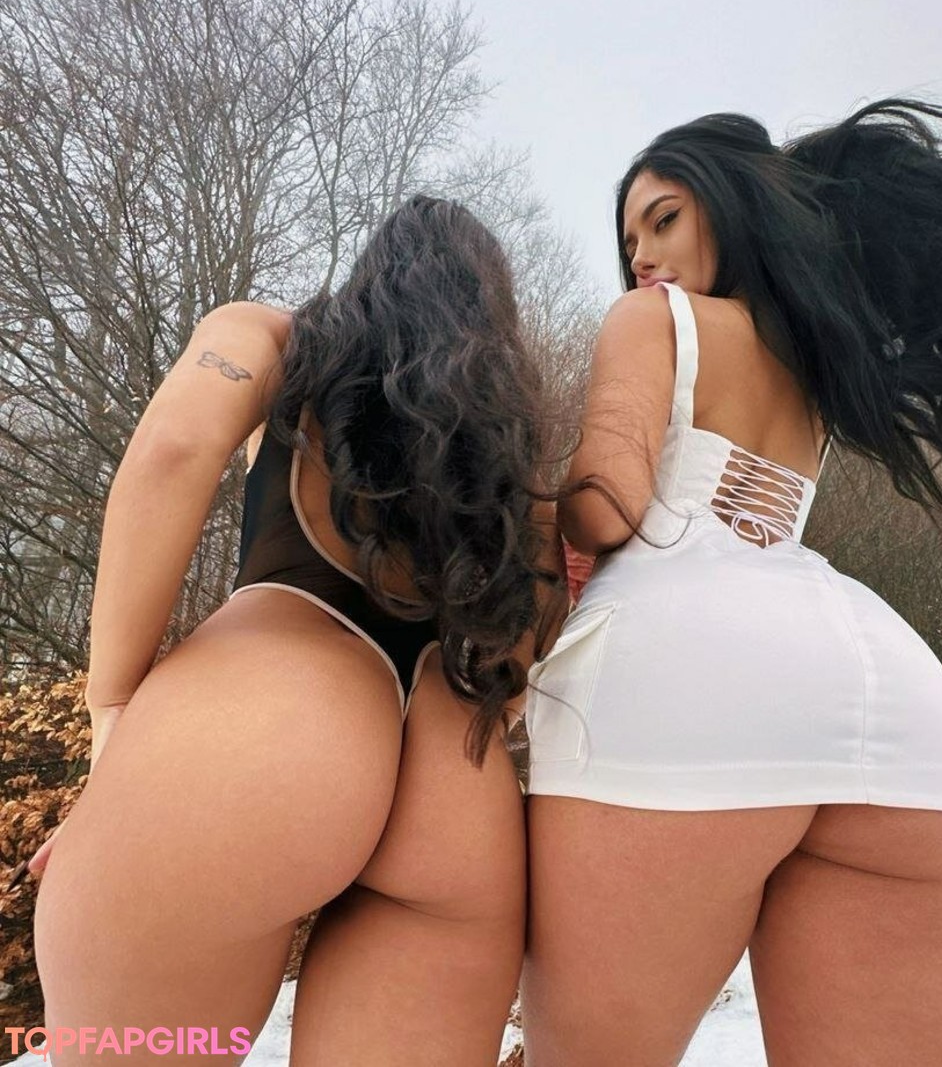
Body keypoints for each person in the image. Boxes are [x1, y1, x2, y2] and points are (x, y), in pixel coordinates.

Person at [522, 101, 942, 1066]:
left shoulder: (655, 320)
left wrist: (535, 506)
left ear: (732, 208)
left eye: (665, 218)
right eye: (629, 239)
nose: (643, 256)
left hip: (679, 675)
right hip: (881, 690)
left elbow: (608, 506)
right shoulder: (817, 363)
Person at [29, 195, 563, 1066]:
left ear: (370, 278)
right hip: (453, 789)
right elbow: (528, 633)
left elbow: (172, 452)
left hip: (269, 730)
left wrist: (115, 708)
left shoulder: (269, 338)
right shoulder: (509, 453)